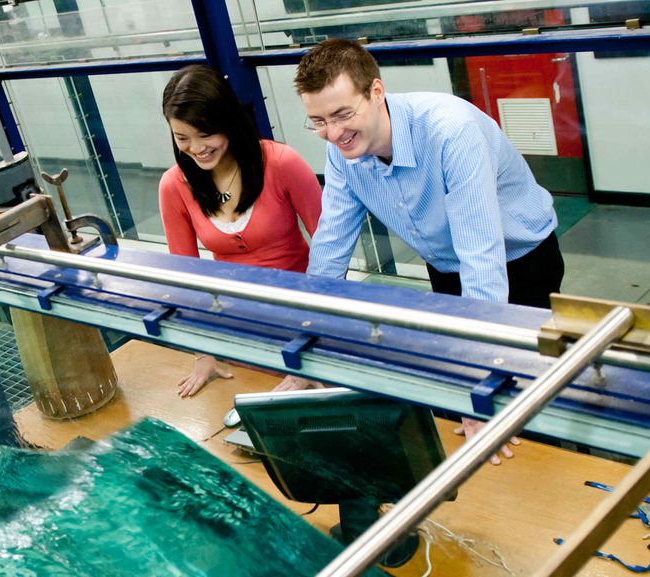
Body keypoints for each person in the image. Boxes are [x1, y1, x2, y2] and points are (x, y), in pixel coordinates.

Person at [296, 39, 565, 464]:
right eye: (319, 121)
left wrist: (480, 386)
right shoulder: (341, 151)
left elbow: (482, 255)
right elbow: (330, 249)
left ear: (376, 92)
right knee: (456, 393)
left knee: (527, 396)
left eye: (343, 114)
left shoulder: (449, 130)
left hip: (523, 259)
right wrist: (305, 348)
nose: (333, 133)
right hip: (446, 264)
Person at [158, 65, 323, 398]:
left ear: (228, 121)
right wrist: (203, 352)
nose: (196, 148)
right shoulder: (174, 185)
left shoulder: (281, 163)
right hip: (239, 328)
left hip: (307, 317)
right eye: (182, 138)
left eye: (205, 134)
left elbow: (330, 247)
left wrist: (312, 346)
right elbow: (186, 277)